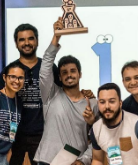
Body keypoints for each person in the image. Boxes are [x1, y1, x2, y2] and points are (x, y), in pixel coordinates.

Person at [0, 23, 94, 165]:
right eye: (22, 40)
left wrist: (83, 93)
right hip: (15, 137)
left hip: (43, 136)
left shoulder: (49, 68)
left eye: (31, 38)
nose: (27, 43)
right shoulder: (11, 70)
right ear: (16, 44)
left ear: (37, 41)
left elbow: (65, 91)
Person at [33, 17, 97, 165]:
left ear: (80, 74)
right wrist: (56, 37)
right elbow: (45, 67)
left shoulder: (92, 103)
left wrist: (84, 160)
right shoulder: (50, 94)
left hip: (75, 163)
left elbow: (99, 137)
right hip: (46, 161)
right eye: (64, 72)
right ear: (60, 77)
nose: (69, 75)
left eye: (73, 71)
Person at [90, 83, 138, 165]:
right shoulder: (96, 129)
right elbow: (98, 160)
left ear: (120, 103)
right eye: (102, 102)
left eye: (112, 101)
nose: (107, 106)